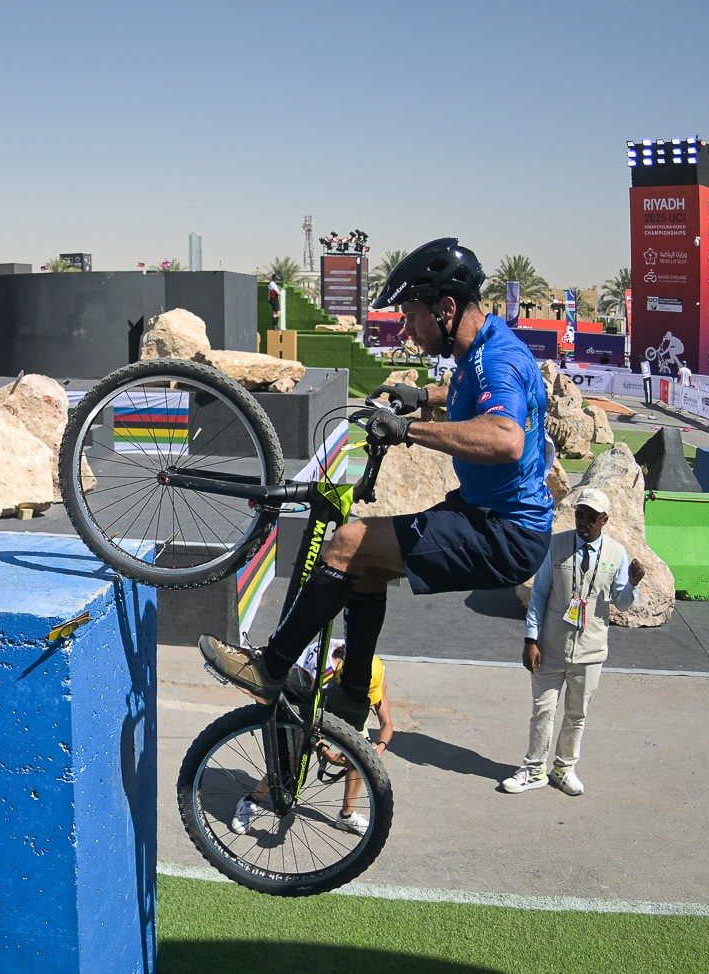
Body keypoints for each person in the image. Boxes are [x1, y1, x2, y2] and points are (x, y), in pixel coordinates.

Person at [199, 238, 554, 716]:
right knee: (365, 563)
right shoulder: (485, 348)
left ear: (446, 308)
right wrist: (424, 393)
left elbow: (506, 437)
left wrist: (410, 430)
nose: (407, 329)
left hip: (503, 532)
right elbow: (473, 389)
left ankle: (271, 669)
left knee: (346, 543)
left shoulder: (497, 359)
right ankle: (352, 695)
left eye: (411, 315)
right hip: (489, 514)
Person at [502, 488, 645, 797]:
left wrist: (632, 582)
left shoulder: (616, 554)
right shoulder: (556, 545)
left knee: (576, 714)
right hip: (550, 646)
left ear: (604, 520)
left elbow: (620, 603)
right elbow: (539, 594)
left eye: (590, 518)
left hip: (590, 651)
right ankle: (534, 768)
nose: (583, 522)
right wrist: (530, 639)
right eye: (580, 515)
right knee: (542, 709)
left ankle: (564, 768)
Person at [230, 639, 394, 836]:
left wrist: (379, 748)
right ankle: (251, 800)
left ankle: (347, 816)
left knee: (361, 756)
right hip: (305, 693)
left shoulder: (375, 673)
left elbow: (387, 723)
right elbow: (307, 726)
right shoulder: (321, 674)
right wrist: (326, 752)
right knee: (291, 768)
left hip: (344, 700)